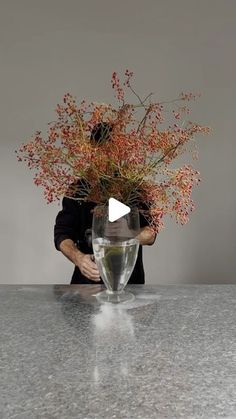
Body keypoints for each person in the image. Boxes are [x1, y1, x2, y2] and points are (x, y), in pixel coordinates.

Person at [54, 122, 156, 284]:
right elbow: (62, 233)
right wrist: (79, 259)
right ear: (91, 150)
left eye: (113, 151)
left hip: (128, 283)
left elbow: (151, 234)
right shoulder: (78, 190)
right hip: (86, 285)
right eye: (101, 151)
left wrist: (128, 234)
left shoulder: (134, 189)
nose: (108, 158)